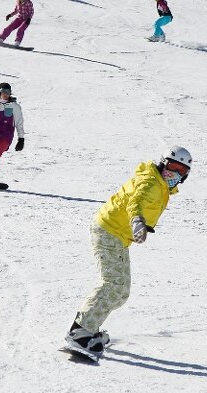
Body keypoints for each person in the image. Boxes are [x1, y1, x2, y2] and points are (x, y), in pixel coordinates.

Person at [65, 146, 194, 360]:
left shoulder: (160, 184)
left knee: (121, 291)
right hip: (109, 231)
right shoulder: (151, 182)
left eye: (180, 169)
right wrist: (137, 220)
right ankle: (79, 332)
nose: (174, 172)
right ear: (163, 163)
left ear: (185, 176)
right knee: (113, 285)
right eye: (172, 165)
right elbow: (136, 201)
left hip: (116, 234)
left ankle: (90, 327)